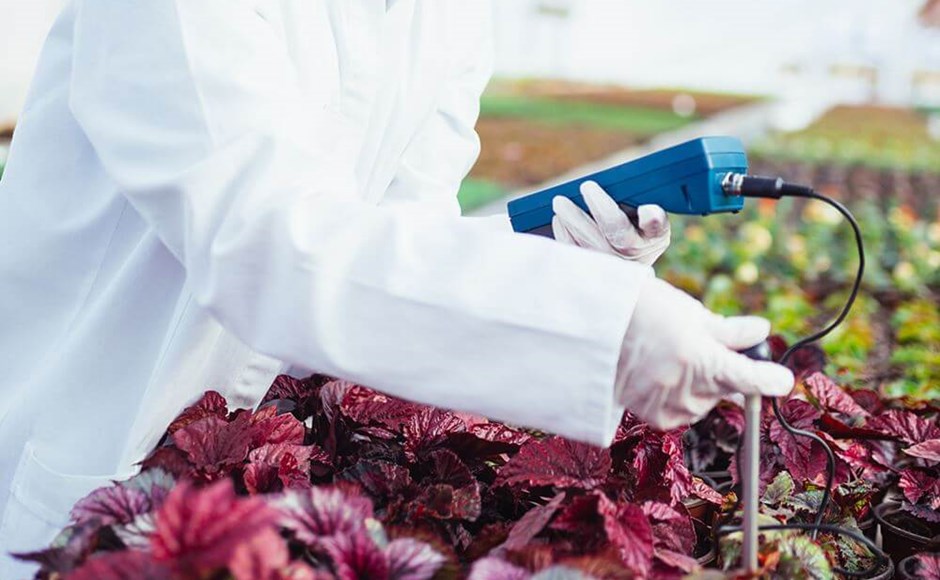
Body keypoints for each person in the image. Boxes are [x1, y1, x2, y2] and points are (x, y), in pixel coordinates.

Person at [0, 0, 794, 574]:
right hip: (92, 441)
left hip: (256, 463)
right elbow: (268, 240)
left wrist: (563, 266)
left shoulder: (446, 17)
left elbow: (402, 238)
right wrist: (600, 328)